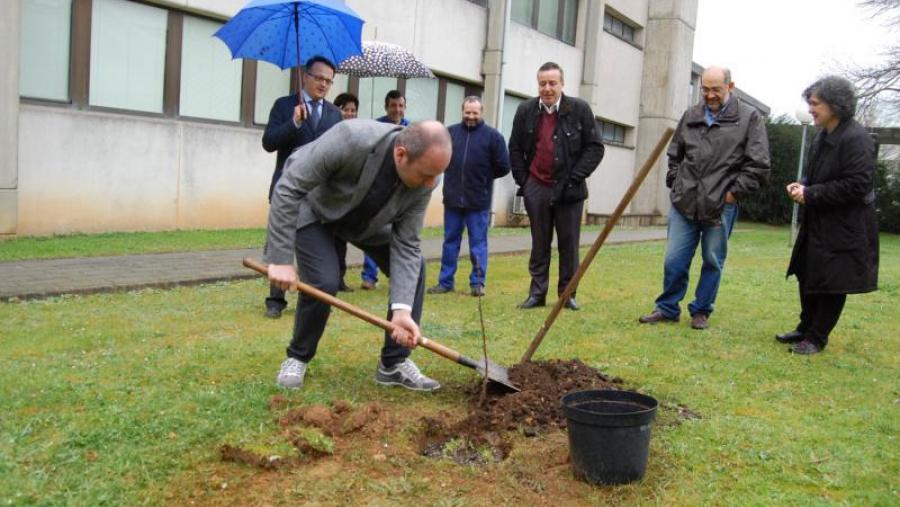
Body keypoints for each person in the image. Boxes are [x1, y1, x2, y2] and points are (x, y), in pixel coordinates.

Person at [266, 120, 452, 391]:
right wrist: (281, 259)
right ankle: (298, 357)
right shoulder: (351, 138)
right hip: (316, 211)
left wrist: (402, 310)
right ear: (401, 154)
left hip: (366, 223)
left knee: (416, 268)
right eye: (426, 175)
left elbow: (407, 244)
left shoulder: (428, 178)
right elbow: (288, 188)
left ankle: (393, 363)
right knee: (323, 282)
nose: (431, 184)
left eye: (437, 176)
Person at [638, 66, 770, 330]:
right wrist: (676, 182)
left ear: (730, 87)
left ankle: (701, 310)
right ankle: (667, 308)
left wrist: (732, 195)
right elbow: (675, 153)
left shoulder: (749, 118)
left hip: (720, 206)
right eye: (705, 89)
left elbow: (758, 164)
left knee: (712, 260)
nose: (709, 95)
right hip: (684, 202)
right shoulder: (691, 115)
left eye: (716, 89)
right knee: (674, 259)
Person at [778, 76, 879, 355]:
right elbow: (815, 174)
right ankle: (805, 327)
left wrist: (811, 194)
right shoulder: (822, 135)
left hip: (845, 227)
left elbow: (858, 184)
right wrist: (802, 185)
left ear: (835, 105)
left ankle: (817, 337)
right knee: (807, 272)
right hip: (819, 222)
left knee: (832, 281)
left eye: (815, 104)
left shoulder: (856, 139)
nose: (810, 109)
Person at [509, 62, 604, 311]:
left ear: (562, 84)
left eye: (552, 83)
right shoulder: (525, 110)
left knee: (568, 245)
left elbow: (595, 148)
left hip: (570, 189)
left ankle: (567, 295)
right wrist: (525, 182)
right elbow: (515, 148)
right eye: (543, 83)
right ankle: (537, 294)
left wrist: (575, 178)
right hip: (537, 187)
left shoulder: (579, 109)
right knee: (539, 243)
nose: (547, 88)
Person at [261, 56, 342, 318]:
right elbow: (269, 142)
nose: (324, 84)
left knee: (315, 246)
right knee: (280, 243)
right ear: (305, 76)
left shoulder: (334, 114)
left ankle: (312, 297)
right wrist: (294, 122)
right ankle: (276, 300)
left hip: (319, 194)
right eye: (319, 78)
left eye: (329, 81)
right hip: (287, 188)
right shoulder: (284, 105)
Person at [427, 96, 510, 297]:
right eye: (467, 112)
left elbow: (504, 166)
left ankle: (477, 283)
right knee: (450, 243)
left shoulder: (493, 137)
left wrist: (483, 178)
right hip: (453, 199)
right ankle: (445, 282)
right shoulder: (449, 133)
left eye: (475, 113)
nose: (471, 116)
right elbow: (439, 157)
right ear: (462, 111)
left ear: (481, 112)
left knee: (478, 244)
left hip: (478, 201)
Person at [361, 90, 410, 290]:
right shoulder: (376, 127)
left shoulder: (411, 130)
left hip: (401, 189)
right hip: (378, 188)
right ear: (386, 107)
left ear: (405, 107)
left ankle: (396, 277)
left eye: (400, 105)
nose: (397, 109)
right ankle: (369, 277)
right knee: (373, 232)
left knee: (399, 235)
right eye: (393, 106)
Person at [331, 92, 362, 292]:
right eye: (346, 110)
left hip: (347, 194)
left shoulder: (359, 134)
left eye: (353, 110)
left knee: (341, 241)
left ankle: (340, 279)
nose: (350, 114)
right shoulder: (330, 130)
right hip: (329, 193)